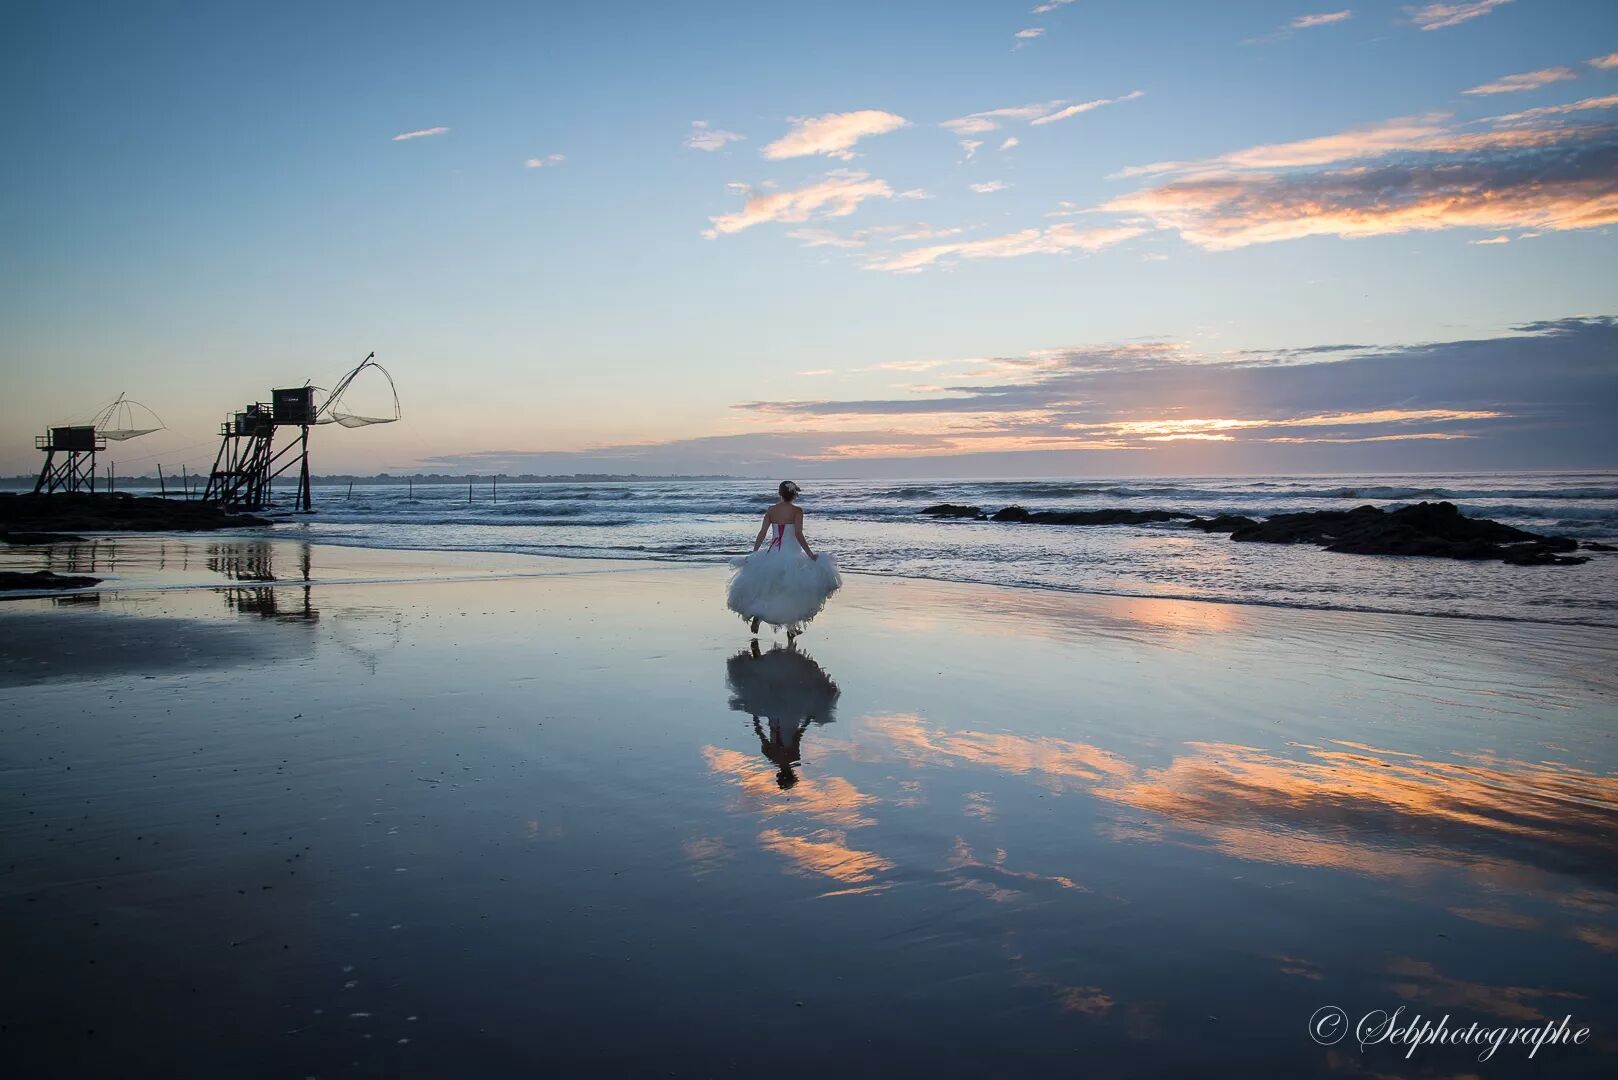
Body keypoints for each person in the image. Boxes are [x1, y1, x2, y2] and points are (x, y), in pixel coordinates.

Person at [726, 481, 842, 641]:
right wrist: (810, 554)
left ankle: (762, 616)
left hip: (773, 553)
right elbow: (799, 534)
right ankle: (791, 628)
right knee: (792, 592)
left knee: (770, 589)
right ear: (794, 494)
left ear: (779, 493)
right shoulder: (797, 511)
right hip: (791, 554)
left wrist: (754, 554)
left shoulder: (771, 510)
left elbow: (762, 532)